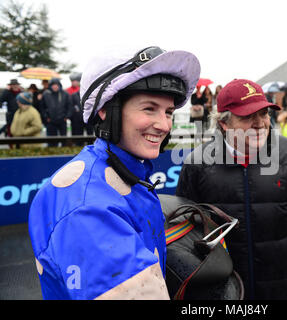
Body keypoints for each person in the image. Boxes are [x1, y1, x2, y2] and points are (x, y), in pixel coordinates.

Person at [28, 45, 201, 300]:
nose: (164, 125)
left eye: (168, 112)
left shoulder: (122, 169)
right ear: (105, 109)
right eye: (149, 108)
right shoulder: (89, 208)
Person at [176, 79, 287, 300]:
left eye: (264, 113)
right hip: (223, 291)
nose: (260, 123)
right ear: (224, 124)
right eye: (248, 116)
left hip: (283, 289)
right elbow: (186, 236)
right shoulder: (197, 164)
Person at [41, 78, 72, 147]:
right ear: (50, 86)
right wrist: (46, 117)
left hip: (62, 120)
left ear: (59, 85)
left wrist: (67, 117)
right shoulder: (46, 94)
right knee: (52, 141)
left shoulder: (65, 94)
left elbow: (69, 106)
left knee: (64, 140)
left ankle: (64, 153)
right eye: (53, 85)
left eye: (56, 85)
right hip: (51, 121)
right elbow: (42, 107)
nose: (55, 86)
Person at [67, 72, 93, 146]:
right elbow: (71, 105)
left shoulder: (89, 94)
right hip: (78, 118)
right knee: (79, 135)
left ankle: (90, 146)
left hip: (88, 118)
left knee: (90, 135)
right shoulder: (73, 95)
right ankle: (79, 146)